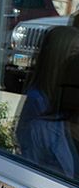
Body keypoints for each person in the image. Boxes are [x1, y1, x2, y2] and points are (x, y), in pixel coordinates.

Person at [15, 26, 79, 179]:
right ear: (58, 56)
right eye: (75, 52)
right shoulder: (37, 103)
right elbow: (32, 165)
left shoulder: (62, 99)